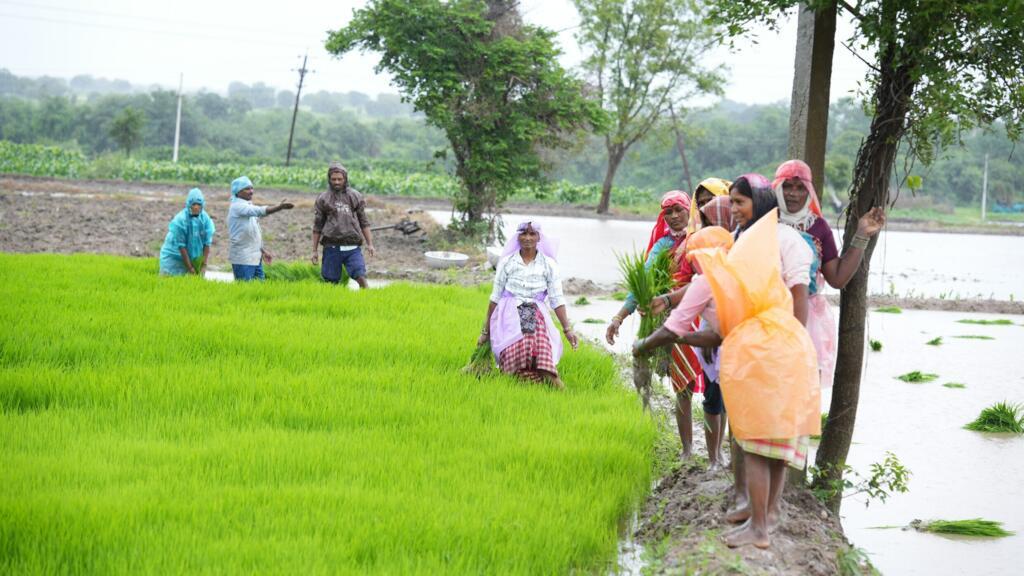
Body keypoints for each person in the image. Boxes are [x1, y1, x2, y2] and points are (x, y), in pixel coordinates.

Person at [715, 174, 817, 549]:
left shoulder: (782, 240)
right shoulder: (751, 241)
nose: (733, 209)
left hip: (773, 349)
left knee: (759, 442)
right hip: (770, 347)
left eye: (740, 202)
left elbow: (799, 291)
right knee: (775, 442)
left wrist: (791, 341)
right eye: (732, 202)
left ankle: (759, 527)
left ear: (758, 203)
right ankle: (766, 518)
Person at [606, 190, 704, 458]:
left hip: (703, 316)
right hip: (672, 318)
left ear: (690, 210)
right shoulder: (661, 246)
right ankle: (687, 452)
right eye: (667, 212)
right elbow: (642, 286)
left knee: (717, 387)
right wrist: (619, 317)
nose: (673, 217)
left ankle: (719, 452)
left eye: (679, 210)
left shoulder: (701, 240)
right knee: (683, 386)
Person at [772, 159, 886, 387]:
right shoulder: (764, 221)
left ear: (809, 191)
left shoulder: (818, 227)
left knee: (800, 389)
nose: (793, 194)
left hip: (808, 319)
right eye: (787, 186)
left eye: (800, 187)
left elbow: (837, 277)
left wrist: (862, 234)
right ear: (776, 188)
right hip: (769, 313)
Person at [633, 223, 735, 471]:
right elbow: (714, 337)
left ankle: (735, 476)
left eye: (694, 257)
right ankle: (734, 472)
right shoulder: (735, 272)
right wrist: (670, 313)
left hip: (743, 354)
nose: (693, 264)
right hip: (752, 352)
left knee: (732, 408)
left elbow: (675, 327)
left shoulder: (709, 279)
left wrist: (643, 345)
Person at [479, 221, 579, 389]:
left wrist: (567, 329)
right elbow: (495, 298)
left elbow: (557, 299)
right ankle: (520, 389)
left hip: (535, 314)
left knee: (544, 362)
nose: (527, 238)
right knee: (513, 365)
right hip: (509, 315)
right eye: (524, 233)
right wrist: (485, 332)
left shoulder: (548, 264)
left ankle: (565, 396)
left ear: (539, 237)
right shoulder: (507, 262)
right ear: (518, 236)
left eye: (532, 234)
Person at [311, 162, 375, 289]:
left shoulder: (355, 196)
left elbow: (364, 221)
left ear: (345, 179)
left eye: (340, 179)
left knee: (360, 275)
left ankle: (368, 299)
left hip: (352, 246)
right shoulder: (323, 198)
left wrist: (370, 244)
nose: (336, 182)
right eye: (333, 179)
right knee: (331, 282)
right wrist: (314, 250)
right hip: (331, 247)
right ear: (329, 179)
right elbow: (317, 226)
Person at [227, 176, 293, 281]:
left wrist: (262, 251)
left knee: (258, 291)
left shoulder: (247, 206)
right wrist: (279, 207)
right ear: (238, 191)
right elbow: (259, 211)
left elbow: (253, 232)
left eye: (252, 188)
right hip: (243, 259)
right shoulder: (237, 206)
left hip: (255, 258)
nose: (251, 191)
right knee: (244, 292)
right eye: (247, 189)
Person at [159, 188, 215, 277]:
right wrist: (190, 268)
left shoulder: (205, 220)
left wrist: (203, 265)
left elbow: (207, 244)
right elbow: (182, 246)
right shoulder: (180, 220)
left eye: (199, 204)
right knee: (169, 282)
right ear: (189, 204)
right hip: (174, 256)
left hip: (192, 256)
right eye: (193, 204)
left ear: (202, 205)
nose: (196, 207)